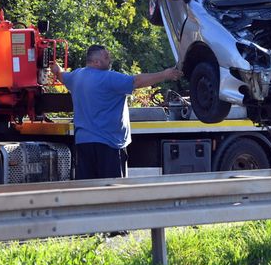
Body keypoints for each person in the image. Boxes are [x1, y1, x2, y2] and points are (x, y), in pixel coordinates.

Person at [51, 45, 182, 179]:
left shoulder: (76, 76)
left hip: (83, 144)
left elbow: (62, 76)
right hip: (108, 144)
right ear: (96, 62)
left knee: (87, 189)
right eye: (106, 57)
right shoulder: (109, 78)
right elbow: (137, 81)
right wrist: (165, 74)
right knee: (112, 190)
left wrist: (57, 69)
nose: (110, 59)